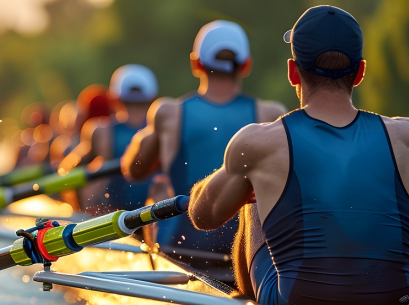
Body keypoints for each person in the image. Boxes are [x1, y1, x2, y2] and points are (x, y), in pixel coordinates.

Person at [187, 5, 409, 305]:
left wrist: (251, 183)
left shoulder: (258, 143)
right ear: (360, 73)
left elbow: (202, 216)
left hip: (297, 303)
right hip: (396, 301)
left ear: (292, 72)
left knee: (258, 191)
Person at [122, 21, 286, 265]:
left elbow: (134, 170)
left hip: (180, 248)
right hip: (245, 256)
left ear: (196, 63)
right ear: (246, 65)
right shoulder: (272, 114)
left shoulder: (167, 113)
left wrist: (148, 138)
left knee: (156, 189)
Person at [60, 65, 158, 214]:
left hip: (114, 222)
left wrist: (80, 213)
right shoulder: (163, 130)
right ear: (152, 98)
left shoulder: (100, 131)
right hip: (156, 216)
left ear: (113, 97)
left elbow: (67, 172)